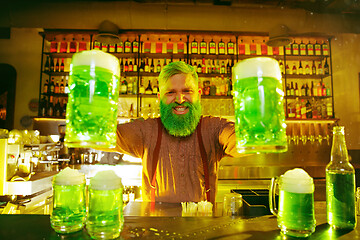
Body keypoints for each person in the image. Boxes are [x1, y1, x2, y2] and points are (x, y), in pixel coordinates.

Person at [112, 61, 242, 203]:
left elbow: (242, 141)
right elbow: (104, 137)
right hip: (155, 223)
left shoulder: (213, 128)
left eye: (187, 91)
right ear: (159, 97)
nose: (180, 100)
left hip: (204, 223)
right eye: (170, 92)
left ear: (198, 95)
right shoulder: (146, 130)